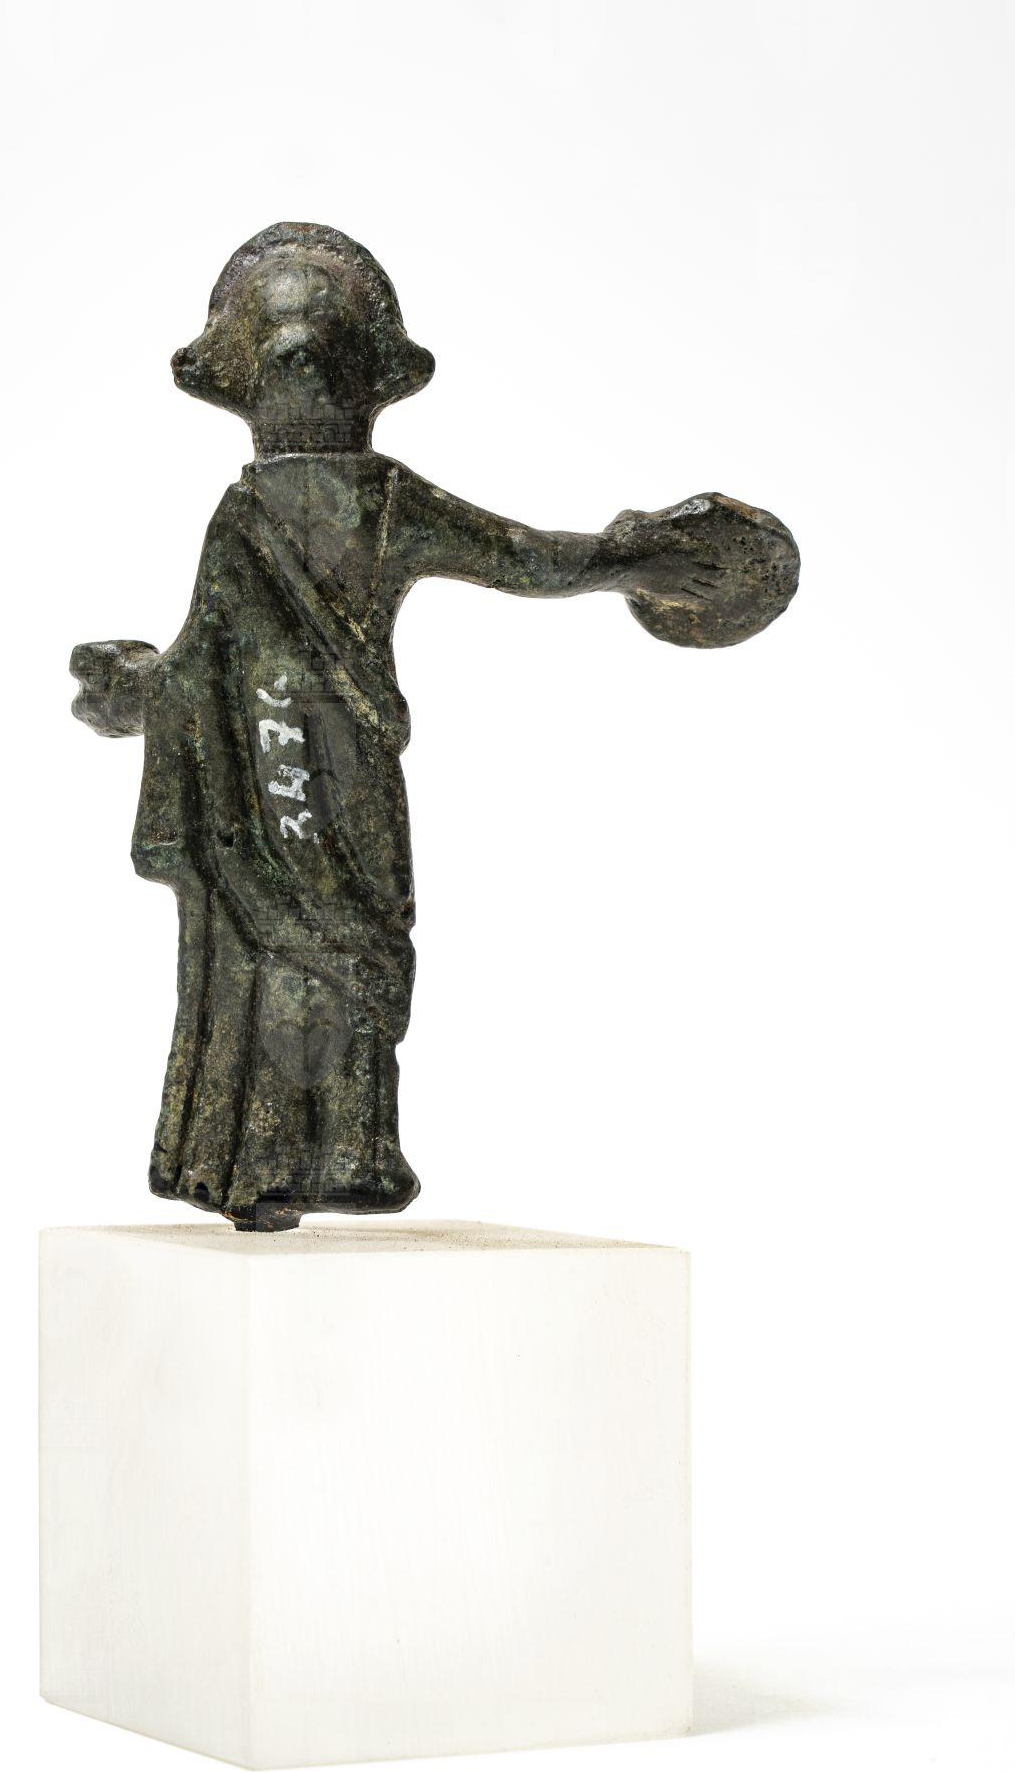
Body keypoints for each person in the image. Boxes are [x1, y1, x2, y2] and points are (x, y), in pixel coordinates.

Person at [71, 223, 798, 1230]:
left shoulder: (373, 503)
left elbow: (520, 556)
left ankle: (347, 1148)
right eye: (284, 355)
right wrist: (145, 688)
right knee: (291, 951)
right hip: (277, 773)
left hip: (337, 766)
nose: (299, 370)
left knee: (349, 949)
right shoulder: (254, 518)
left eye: (315, 354)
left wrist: (630, 558)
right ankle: (272, 1155)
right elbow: (207, 657)